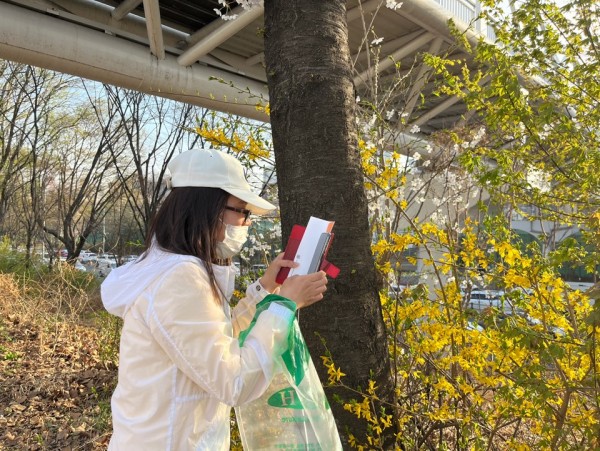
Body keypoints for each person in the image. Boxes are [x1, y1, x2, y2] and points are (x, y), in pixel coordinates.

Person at [101, 148, 328, 450]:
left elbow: (215, 344)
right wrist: (283, 306)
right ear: (207, 207)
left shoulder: (170, 268)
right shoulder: (180, 277)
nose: (246, 223)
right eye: (242, 211)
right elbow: (232, 381)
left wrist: (266, 288)